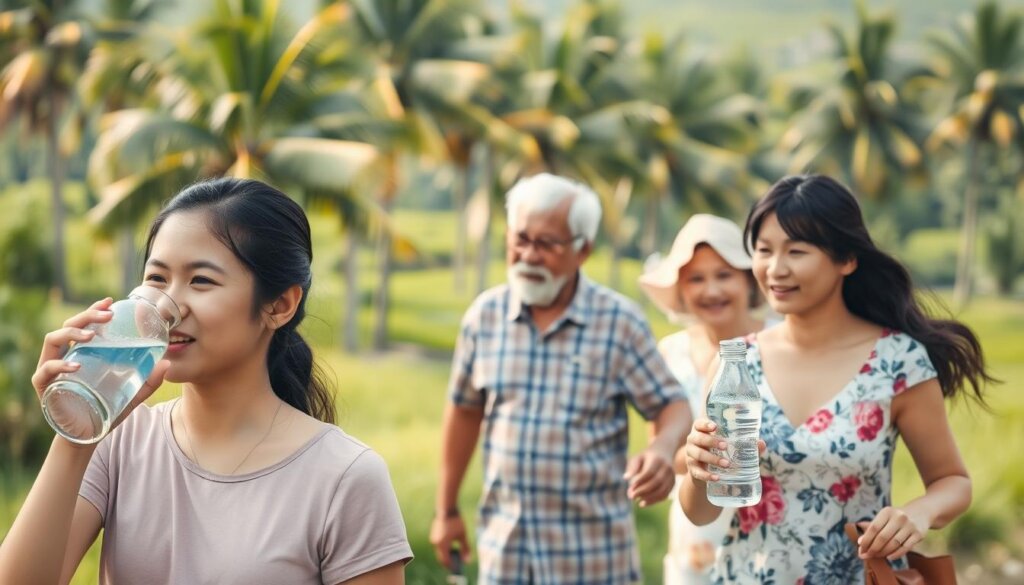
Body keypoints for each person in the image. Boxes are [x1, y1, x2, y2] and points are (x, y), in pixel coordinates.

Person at [0, 178, 413, 585]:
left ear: (279, 305)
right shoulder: (120, 443)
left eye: (201, 281)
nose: (170, 308)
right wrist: (75, 438)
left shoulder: (346, 477)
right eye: (157, 279)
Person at [678, 174, 991, 584]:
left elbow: (953, 482)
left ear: (847, 259)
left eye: (797, 251)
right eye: (764, 250)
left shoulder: (898, 361)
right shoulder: (737, 362)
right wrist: (700, 474)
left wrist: (919, 513)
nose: (775, 268)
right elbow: (701, 512)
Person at [429, 173, 692, 584]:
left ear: (582, 250)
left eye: (547, 244)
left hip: (593, 557)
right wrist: (445, 511)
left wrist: (660, 449)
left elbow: (672, 406)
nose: (529, 255)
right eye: (520, 239)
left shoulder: (619, 322)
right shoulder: (485, 316)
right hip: (506, 552)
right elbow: (464, 411)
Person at [638, 214, 772, 584]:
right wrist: (699, 456)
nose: (711, 290)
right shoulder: (670, 353)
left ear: (749, 280)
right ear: (680, 290)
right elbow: (665, 449)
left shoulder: (780, 343)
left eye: (724, 275)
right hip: (695, 529)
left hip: (769, 520)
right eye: (696, 279)